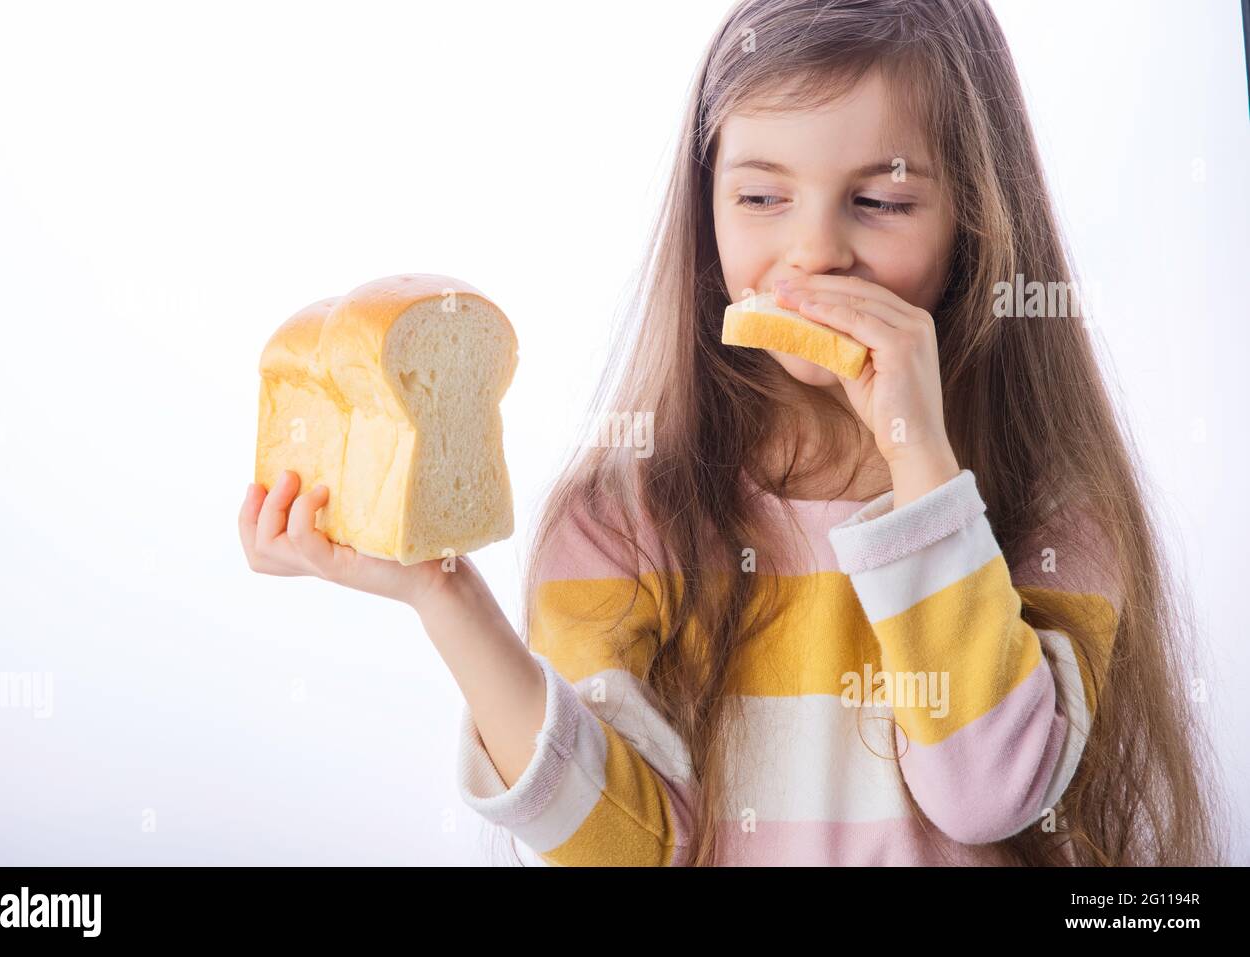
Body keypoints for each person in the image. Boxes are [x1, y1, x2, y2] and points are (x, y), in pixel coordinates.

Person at [238, 0, 1229, 866]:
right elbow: (624, 847)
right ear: (705, 206)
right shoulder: (621, 517)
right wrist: (437, 589)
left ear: (976, 216)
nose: (812, 249)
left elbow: (985, 795)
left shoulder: (1052, 514)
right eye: (760, 197)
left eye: (879, 201)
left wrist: (917, 460)